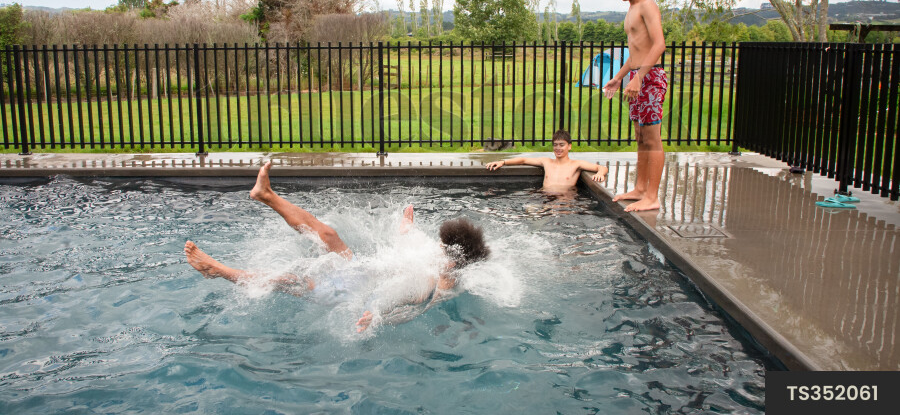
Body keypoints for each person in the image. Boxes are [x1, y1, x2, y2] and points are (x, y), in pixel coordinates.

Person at [184, 162, 491, 333]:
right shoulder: (433, 258)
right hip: (359, 272)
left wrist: (375, 314)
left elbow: (409, 306)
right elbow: (407, 243)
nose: (437, 246)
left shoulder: (439, 284)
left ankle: (216, 270)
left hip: (352, 295)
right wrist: (406, 227)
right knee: (329, 235)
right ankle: (266, 195)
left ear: (453, 260)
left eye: (443, 246)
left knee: (289, 280)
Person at [602, 0, 667, 212]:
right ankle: (640, 189)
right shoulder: (631, 10)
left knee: (652, 139)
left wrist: (640, 76)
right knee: (640, 137)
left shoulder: (648, 5)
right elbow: (635, 54)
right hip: (638, 78)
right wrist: (619, 77)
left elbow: (659, 44)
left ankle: (652, 196)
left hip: (650, 78)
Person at [484, 129, 608, 193]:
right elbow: (523, 160)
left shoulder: (576, 165)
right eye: (555, 145)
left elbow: (602, 168)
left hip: (565, 201)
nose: (558, 148)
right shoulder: (547, 162)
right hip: (544, 197)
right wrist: (503, 162)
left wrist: (600, 173)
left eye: (561, 145)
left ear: (569, 146)